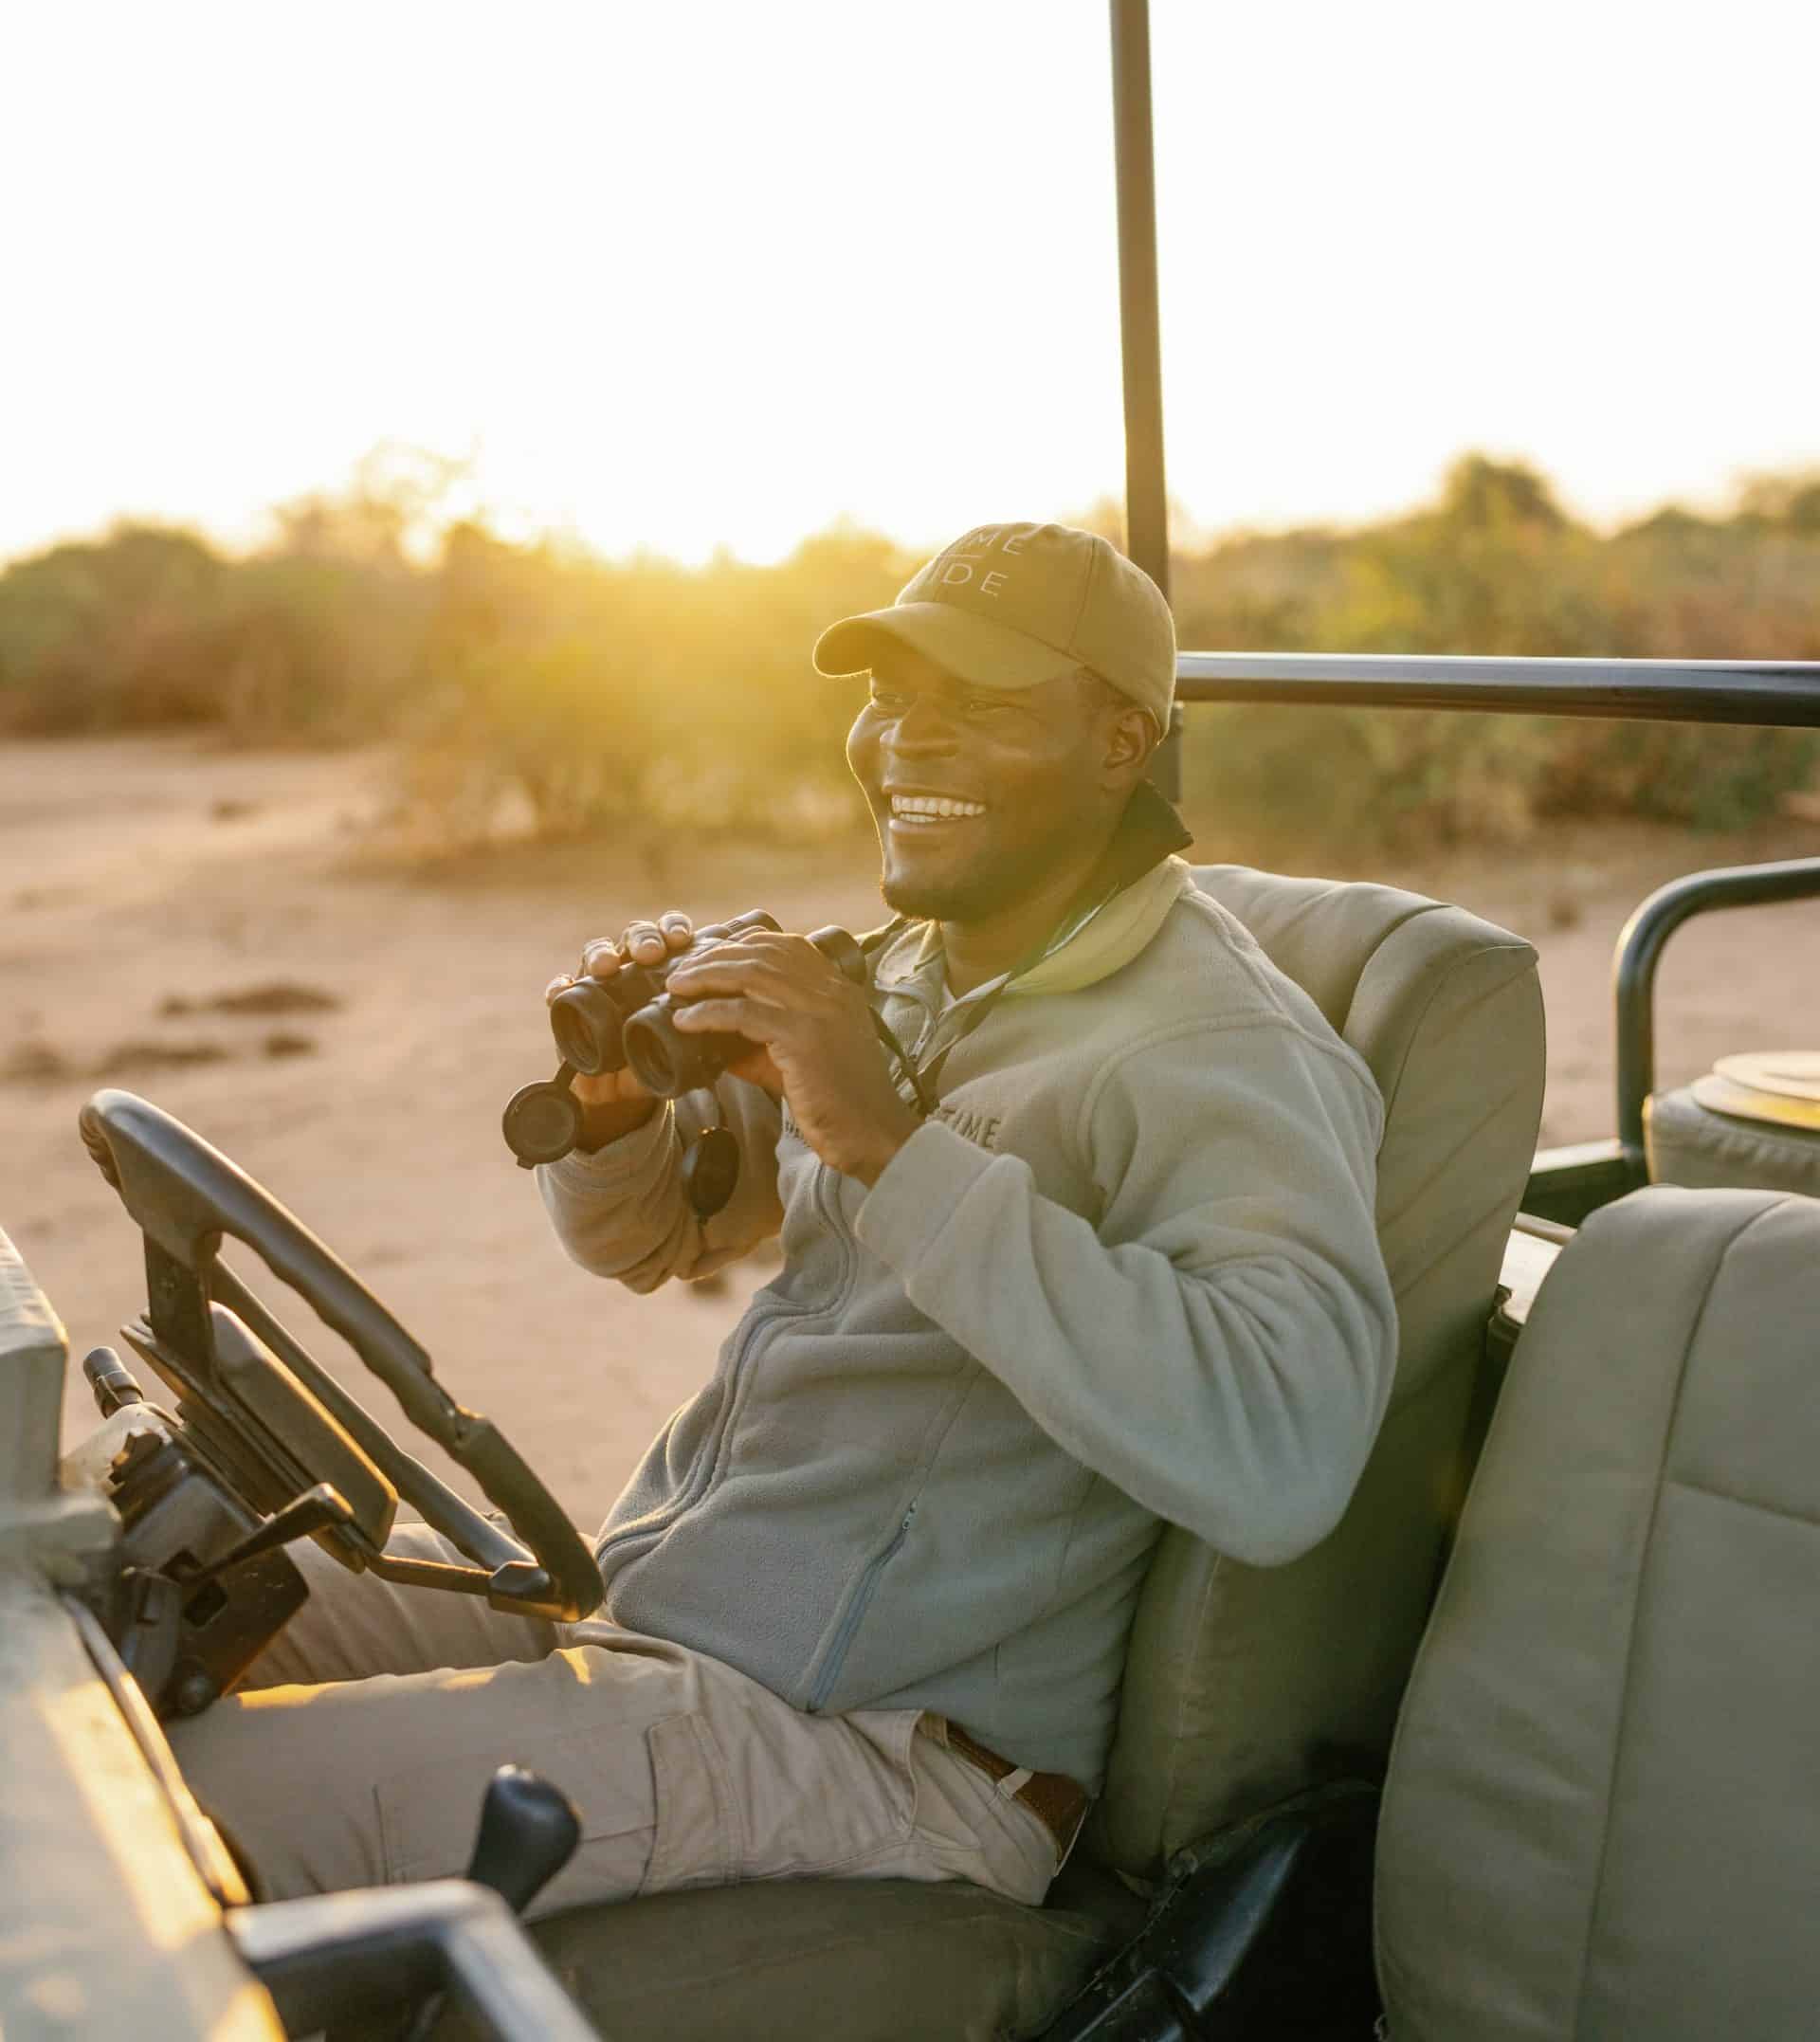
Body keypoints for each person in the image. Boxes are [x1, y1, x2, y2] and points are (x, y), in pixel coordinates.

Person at [171, 520, 1394, 1922]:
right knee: (104, 1638)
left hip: (887, 1745)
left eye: (979, 707)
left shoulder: (1219, 1050)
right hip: (662, 1627)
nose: (907, 743)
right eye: (893, 698)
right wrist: (623, 1107)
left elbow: (1281, 1455)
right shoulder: (917, 971)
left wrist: (888, 1138)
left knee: (164, 1831)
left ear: (1121, 743)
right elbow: (649, 1244)